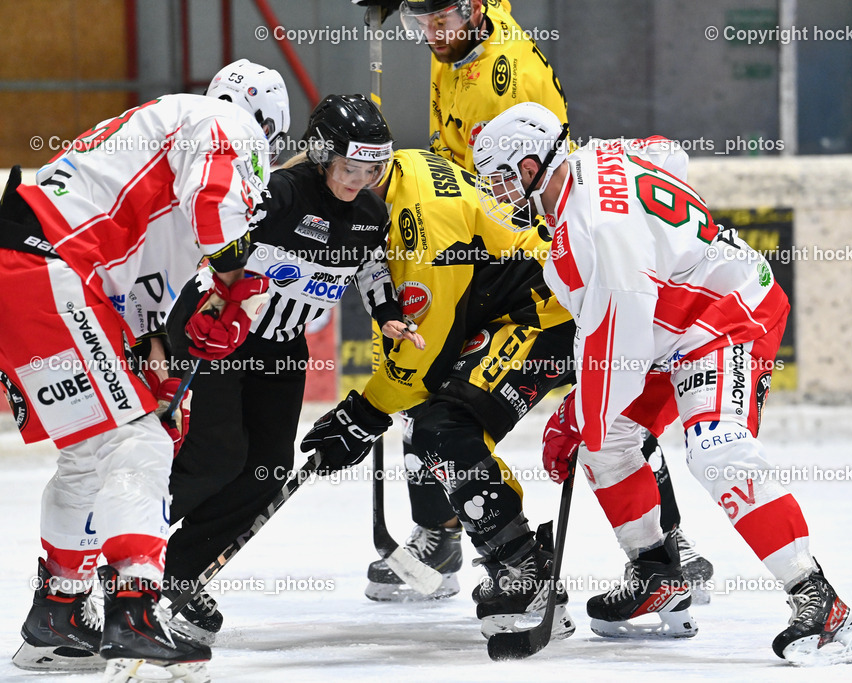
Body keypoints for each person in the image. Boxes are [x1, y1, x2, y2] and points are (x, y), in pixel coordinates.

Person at [472, 102, 852, 663]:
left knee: (716, 450)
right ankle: (657, 573)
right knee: (606, 441)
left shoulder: (594, 226)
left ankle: (822, 604)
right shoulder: (593, 162)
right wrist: (590, 420)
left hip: (728, 316)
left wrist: (579, 415)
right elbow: (668, 153)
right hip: (674, 322)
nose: (497, 195)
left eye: (500, 180)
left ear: (530, 165)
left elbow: (621, 337)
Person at [358, 0, 712, 604]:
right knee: (438, 387)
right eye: (420, 22)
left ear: (471, 11)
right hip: (490, 239)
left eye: (439, 20)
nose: (429, 35)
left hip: (532, 257)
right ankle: (441, 532)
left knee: (598, 399)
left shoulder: (506, 77)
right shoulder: (465, 34)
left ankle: (665, 546)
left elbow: (527, 193)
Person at [0, 58, 288, 679]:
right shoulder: (224, 123)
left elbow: (136, 313)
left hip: (25, 272)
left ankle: (58, 615)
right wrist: (237, 281)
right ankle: (134, 611)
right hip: (54, 268)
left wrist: (162, 369)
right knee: (137, 442)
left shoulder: (155, 150)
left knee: (88, 451)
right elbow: (218, 205)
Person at [160, 94, 424, 644]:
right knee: (215, 456)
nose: (360, 180)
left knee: (269, 469)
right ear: (323, 155)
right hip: (222, 332)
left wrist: (389, 315)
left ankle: (180, 571)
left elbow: (372, 268)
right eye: (351, 168)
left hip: (281, 348)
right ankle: (121, 553)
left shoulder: (370, 214)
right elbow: (208, 237)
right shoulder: (280, 192)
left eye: (372, 169)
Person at [299, 145, 579, 640]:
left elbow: (419, 363)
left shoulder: (422, 229)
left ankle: (529, 572)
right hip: (505, 302)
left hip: (546, 313)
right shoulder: (399, 168)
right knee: (429, 421)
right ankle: (457, 542)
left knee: (444, 428)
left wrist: (361, 415)